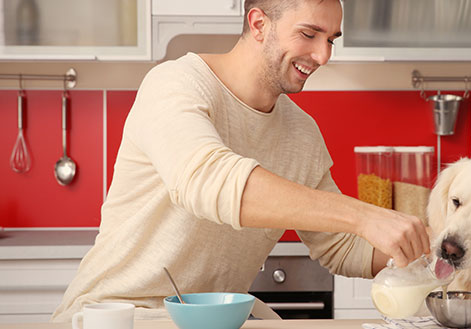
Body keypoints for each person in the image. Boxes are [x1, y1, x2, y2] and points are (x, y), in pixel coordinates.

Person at [51, 0, 430, 322]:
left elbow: (345, 248)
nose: (323, 55)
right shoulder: (175, 84)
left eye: (331, 39)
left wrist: (441, 244)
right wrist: (366, 215)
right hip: (117, 316)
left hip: (210, 321)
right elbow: (208, 180)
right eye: (309, 34)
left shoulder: (301, 133)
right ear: (259, 24)